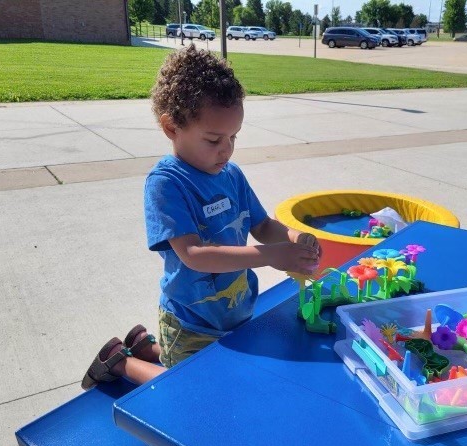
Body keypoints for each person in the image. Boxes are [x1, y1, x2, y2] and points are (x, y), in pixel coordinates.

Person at [82, 45, 321, 389]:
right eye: (213, 139)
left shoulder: (232, 175)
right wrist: (270, 255)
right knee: (190, 390)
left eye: (233, 137)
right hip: (190, 321)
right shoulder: (167, 183)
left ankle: (146, 345)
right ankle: (120, 361)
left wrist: (295, 239)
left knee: (218, 371)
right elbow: (193, 255)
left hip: (235, 311)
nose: (226, 149)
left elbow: (262, 225)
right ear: (171, 127)